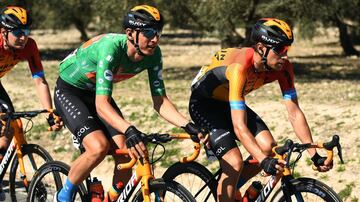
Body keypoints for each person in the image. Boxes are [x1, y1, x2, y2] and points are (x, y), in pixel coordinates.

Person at [53, 5, 202, 202]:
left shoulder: (154, 55)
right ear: (130, 33)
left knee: (127, 153)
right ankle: (62, 196)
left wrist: (187, 124)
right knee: (98, 147)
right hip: (70, 91)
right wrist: (130, 129)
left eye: (158, 32)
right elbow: (101, 106)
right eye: (149, 33)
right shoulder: (111, 48)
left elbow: (160, 101)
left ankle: (111, 198)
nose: (155, 39)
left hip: (96, 93)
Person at [189, 18, 333, 201]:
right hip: (204, 105)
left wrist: (314, 154)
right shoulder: (240, 68)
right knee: (234, 162)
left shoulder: (283, 67)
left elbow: (294, 112)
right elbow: (240, 127)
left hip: (228, 102)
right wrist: (264, 162)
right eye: (280, 50)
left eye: (288, 49)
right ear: (261, 48)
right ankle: (227, 189)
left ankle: (231, 191)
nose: (285, 56)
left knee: (267, 147)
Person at [0, 5, 62, 201]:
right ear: (4, 31)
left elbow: (40, 81)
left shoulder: (30, 46)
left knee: (11, 124)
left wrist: (49, 111)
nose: (23, 37)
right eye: (18, 32)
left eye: (26, 32)